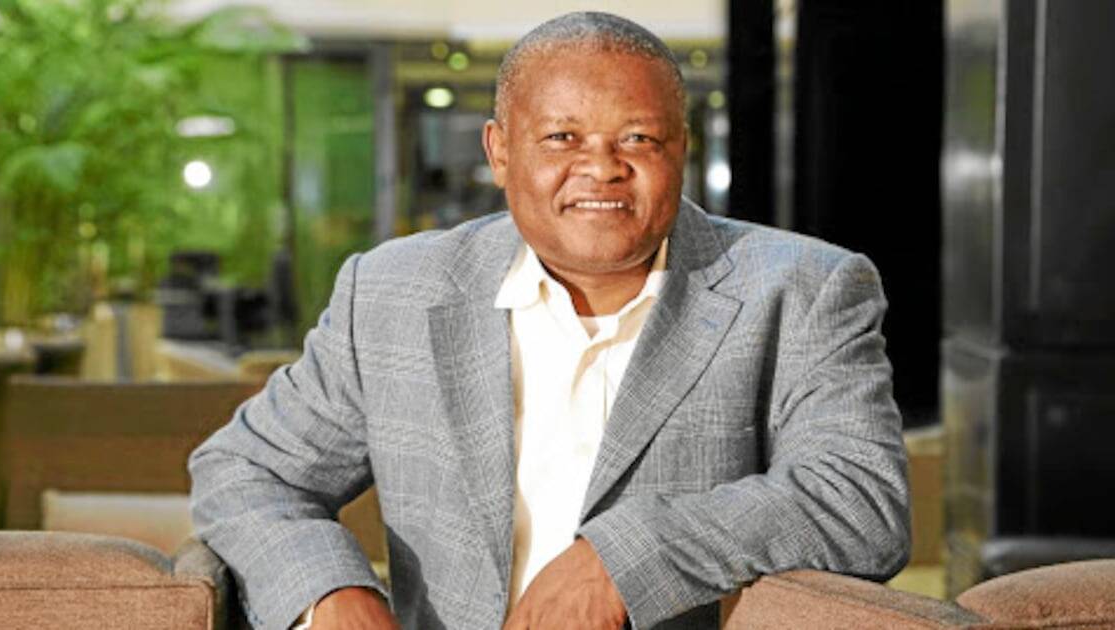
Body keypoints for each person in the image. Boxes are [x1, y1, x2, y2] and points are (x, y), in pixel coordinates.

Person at [189, 11, 910, 630]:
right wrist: (330, 593)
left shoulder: (800, 289)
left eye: (639, 139)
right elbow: (247, 470)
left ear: (682, 148)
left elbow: (861, 502)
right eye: (563, 138)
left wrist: (623, 560)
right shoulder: (391, 293)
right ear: (500, 152)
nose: (602, 168)